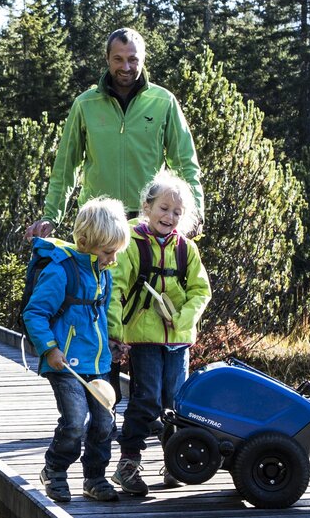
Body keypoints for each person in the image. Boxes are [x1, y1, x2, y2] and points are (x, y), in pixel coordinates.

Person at [25, 28, 205, 240]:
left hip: (148, 218)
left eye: (133, 59)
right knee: (96, 274)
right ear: (107, 59)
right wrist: (51, 216)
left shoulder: (164, 101)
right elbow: (66, 167)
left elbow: (185, 163)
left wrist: (195, 214)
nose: (125, 67)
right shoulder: (85, 104)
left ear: (143, 59)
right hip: (97, 218)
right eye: (118, 59)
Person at [106, 171, 211, 497]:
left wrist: (182, 320)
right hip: (144, 339)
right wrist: (115, 333)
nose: (169, 216)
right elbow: (116, 290)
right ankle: (129, 464)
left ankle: (174, 462)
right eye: (164, 208)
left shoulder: (186, 250)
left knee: (177, 404)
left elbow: (200, 291)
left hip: (178, 342)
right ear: (147, 207)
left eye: (177, 212)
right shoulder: (132, 245)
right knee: (146, 399)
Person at [24, 197, 132, 503]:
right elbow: (35, 313)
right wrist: (49, 348)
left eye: (115, 252)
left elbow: (104, 312)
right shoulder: (61, 272)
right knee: (74, 420)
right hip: (64, 362)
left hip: (97, 362)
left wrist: (114, 339)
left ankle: (94, 478)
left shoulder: (103, 274)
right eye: (107, 252)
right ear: (84, 242)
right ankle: (55, 471)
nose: (112, 259)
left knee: (104, 422)